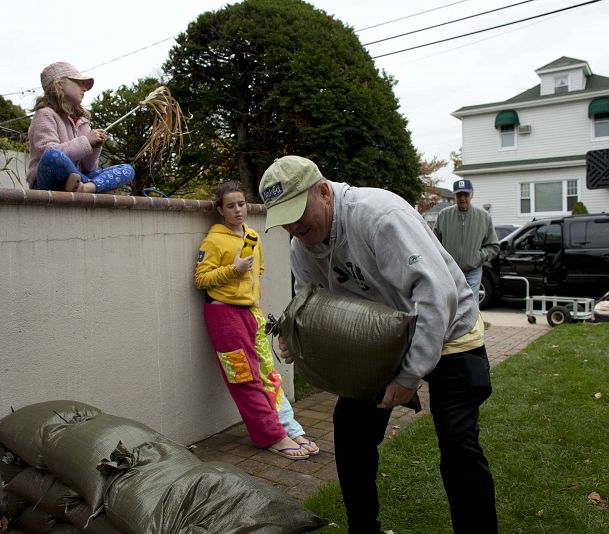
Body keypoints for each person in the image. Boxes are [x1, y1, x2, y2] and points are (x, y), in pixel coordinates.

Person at [260, 156, 497, 533]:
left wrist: (409, 376)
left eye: (298, 213)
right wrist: (294, 334)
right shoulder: (302, 246)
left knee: (458, 442)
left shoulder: (380, 216)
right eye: (284, 219)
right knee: (350, 433)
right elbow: (311, 304)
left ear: (323, 192)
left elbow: (436, 294)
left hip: (450, 331)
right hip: (380, 342)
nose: (294, 227)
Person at [194, 180, 319, 460]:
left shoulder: (252, 235)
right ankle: (271, 436)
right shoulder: (214, 240)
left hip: (252, 313)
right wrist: (234, 269)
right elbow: (201, 279)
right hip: (224, 316)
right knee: (244, 378)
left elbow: (257, 270)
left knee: (268, 374)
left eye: (241, 204)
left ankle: (289, 428)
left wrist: (247, 286)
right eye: (230, 206)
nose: (238, 210)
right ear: (220, 210)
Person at [27, 62, 136, 193]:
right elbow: (47, 154)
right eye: (79, 83)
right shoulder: (45, 114)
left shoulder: (82, 121)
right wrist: (86, 141)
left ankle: (86, 188)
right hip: (47, 181)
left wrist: (94, 147)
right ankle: (97, 186)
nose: (84, 89)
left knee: (127, 169)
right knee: (52, 155)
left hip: (79, 180)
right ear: (59, 84)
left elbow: (89, 168)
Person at [434, 179, 500, 305]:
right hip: (450, 271)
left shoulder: (484, 217)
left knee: (471, 306)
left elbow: (494, 246)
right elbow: (434, 243)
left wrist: (478, 257)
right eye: (459, 195)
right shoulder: (444, 215)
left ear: (472, 195)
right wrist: (443, 260)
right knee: (450, 305)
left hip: (473, 271)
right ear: (455, 196)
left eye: (466, 194)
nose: (463, 198)